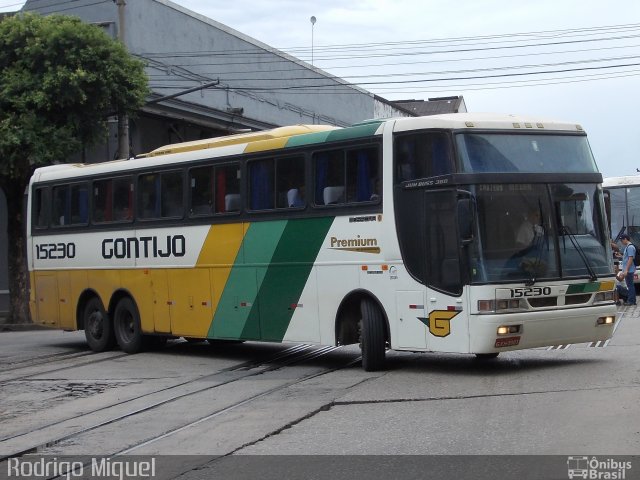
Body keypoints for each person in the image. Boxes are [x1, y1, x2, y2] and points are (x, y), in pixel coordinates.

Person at [618, 234, 637, 305]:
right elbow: (627, 257)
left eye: (622, 240)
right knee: (630, 285)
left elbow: (630, 259)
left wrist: (626, 270)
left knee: (630, 285)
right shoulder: (628, 247)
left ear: (626, 239)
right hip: (628, 269)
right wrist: (621, 256)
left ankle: (631, 301)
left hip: (629, 270)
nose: (621, 241)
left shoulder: (630, 247)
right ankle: (632, 300)